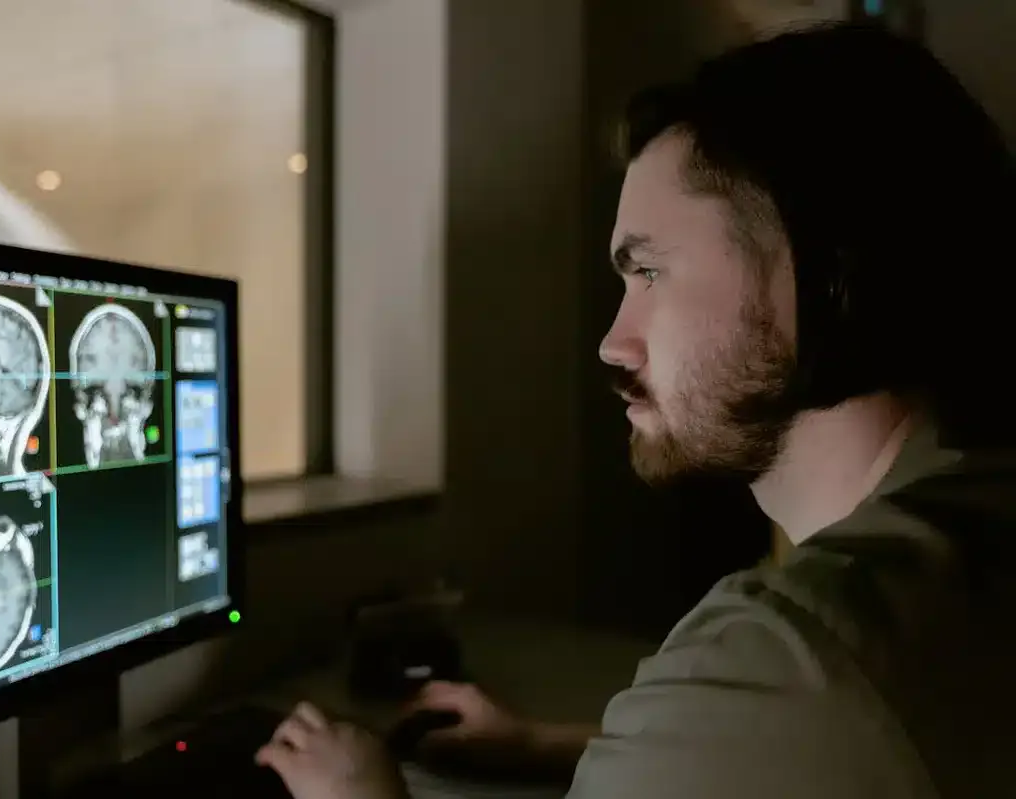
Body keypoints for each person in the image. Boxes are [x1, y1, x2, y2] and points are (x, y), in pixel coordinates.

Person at [255, 20, 1016, 799]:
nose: (613, 344)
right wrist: (546, 746)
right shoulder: (968, 530)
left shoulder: (792, 654)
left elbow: (793, 713)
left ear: (825, 278)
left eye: (649, 272)